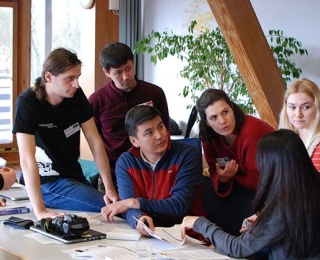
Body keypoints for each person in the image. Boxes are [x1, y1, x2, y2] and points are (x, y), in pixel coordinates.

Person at [12, 48, 119, 220]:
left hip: (73, 177)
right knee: (114, 209)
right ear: (48, 77)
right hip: (46, 182)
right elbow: (26, 159)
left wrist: (109, 188)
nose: (76, 84)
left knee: (115, 205)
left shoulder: (75, 96)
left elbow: (95, 142)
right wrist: (40, 212)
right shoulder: (27, 102)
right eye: (69, 79)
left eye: (77, 78)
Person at [181, 129, 320, 260]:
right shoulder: (307, 189)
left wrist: (198, 223)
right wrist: (263, 219)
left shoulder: (283, 207)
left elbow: (237, 248)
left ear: (273, 166)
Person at [101, 105, 204, 237]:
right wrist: (139, 220)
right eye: (149, 132)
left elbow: (179, 206)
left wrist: (134, 202)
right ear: (134, 141)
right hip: (150, 237)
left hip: (188, 237)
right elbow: (127, 208)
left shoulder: (187, 155)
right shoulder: (126, 163)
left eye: (160, 126)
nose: (160, 135)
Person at [88, 42, 169, 191]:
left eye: (128, 68)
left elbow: (165, 131)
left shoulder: (155, 93)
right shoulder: (96, 101)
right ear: (107, 73)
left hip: (152, 171)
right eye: (118, 72)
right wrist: (108, 184)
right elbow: (96, 144)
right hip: (114, 174)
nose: (125, 76)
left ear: (133, 63)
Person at [196, 89, 274, 235]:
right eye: (213, 117)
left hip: (270, 190)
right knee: (203, 186)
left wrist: (233, 175)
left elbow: (258, 181)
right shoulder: (209, 137)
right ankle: (217, 239)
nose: (222, 121)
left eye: (225, 112)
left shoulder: (252, 131)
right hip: (240, 187)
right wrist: (223, 178)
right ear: (207, 122)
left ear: (232, 108)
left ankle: (234, 242)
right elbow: (213, 171)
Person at [279, 78, 320, 171]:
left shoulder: (318, 144)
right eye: (292, 107)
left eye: (305, 107)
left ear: (317, 107)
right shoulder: (287, 139)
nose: (298, 114)